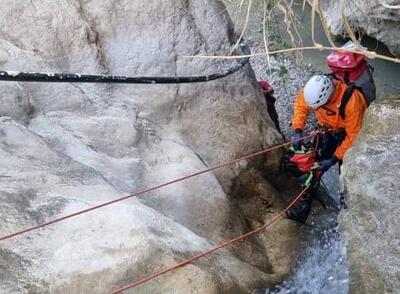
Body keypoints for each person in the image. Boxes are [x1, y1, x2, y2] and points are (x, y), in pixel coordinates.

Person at [287, 74, 368, 223]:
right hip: (328, 131)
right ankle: (303, 210)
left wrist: (333, 159)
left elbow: (354, 136)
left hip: (348, 135)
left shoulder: (352, 101)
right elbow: (301, 104)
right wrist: (298, 129)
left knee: (346, 178)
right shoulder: (313, 92)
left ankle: (345, 217)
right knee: (314, 169)